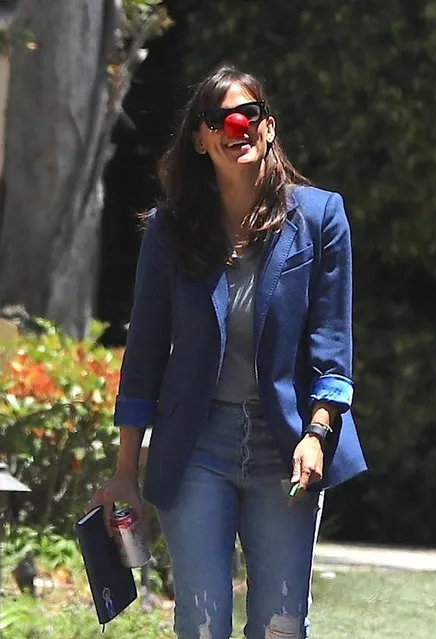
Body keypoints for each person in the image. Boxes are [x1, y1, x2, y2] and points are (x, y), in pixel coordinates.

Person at [90, 63, 367, 639]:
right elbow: (143, 354)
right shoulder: (172, 229)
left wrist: (318, 434)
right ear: (199, 137)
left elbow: (332, 345)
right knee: (202, 620)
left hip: (287, 445)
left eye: (249, 115)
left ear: (268, 128)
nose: (235, 126)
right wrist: (124, 473)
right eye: (218, 119)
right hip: (197, 446)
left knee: (280, 625)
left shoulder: (320, 218)